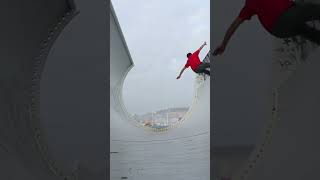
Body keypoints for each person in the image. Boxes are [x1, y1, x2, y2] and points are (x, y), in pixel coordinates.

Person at [214, 0, 320, 56]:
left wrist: (224, 44)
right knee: (312, 10)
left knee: (303, 29)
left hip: (278, 30)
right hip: (287, 14)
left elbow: (234, 25)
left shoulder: (249, 4)